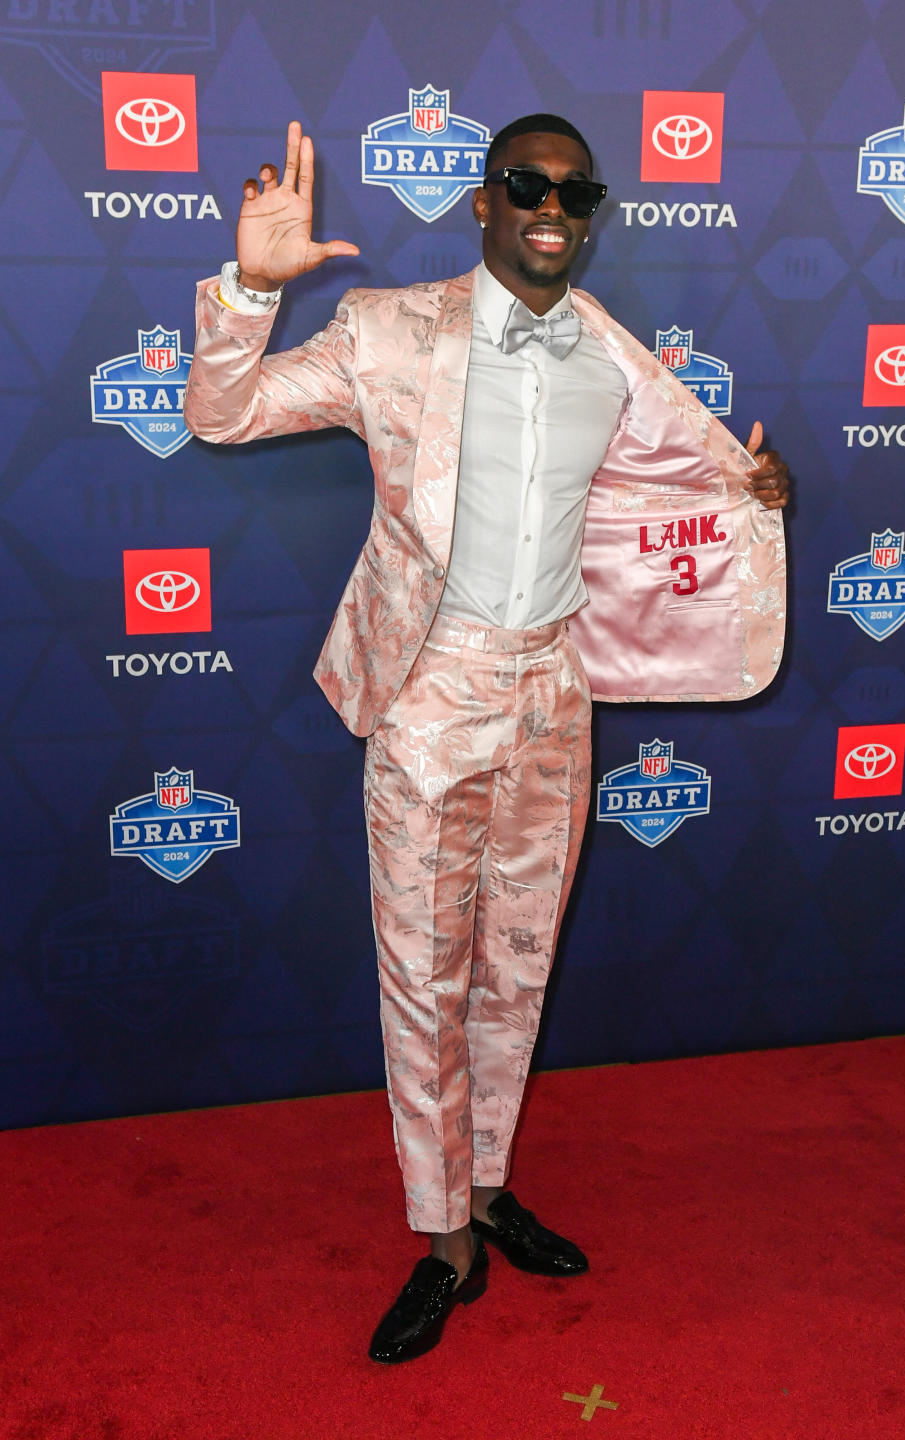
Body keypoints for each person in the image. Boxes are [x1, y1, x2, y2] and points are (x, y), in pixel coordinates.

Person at [184, 113, 788, 1365]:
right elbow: (221, 413)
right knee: (424, 977)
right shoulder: (388, 331)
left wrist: (755, 496)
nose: (551, 205)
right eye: (526, 183)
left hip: (556, 691)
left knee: (517, 968)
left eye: (576, 189)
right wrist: (250, 286)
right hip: (429, 694)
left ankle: (491, 1186)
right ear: (482, 201)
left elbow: (676, 488)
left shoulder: (612, 362)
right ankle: (440, 1237)